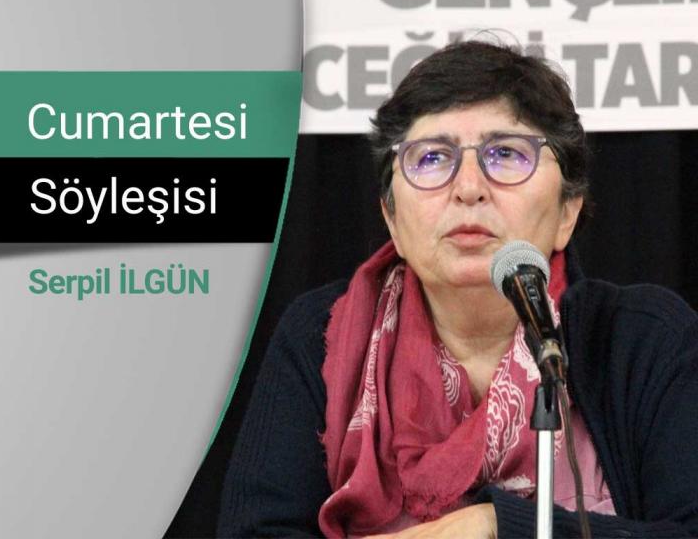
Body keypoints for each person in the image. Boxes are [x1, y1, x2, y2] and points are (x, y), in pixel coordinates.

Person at [217, 40, 698, 538]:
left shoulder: (645, 341)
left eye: (506, 154)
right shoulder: (320, 336)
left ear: (567, 212)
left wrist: (494, 525)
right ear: (392, 217)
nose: (469, 188)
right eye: (431, 158)